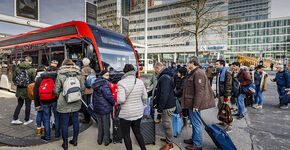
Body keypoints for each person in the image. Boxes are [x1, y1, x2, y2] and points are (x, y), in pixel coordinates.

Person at [181, 56, 215, 150]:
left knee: (196, 123)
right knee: (194, 122)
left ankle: (197, 145)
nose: (187, 64)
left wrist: (196, 105)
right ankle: (194, 139)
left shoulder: (198, 73)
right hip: (192, 103)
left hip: (194, 104)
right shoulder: (194, 73)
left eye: (188, 63)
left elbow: (199, 91)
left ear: (192, 63)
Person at [53, 59, 84, 150]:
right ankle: (75, 141)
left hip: (64, 102)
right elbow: (82, 87)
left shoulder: (60, 74)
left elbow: (56, 90)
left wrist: (62, 96)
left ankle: (65, 144)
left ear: (63, 65)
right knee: (75, 121)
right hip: (76, 100)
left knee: (64, 123)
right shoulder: (78, 74)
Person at [117, 64, 147, 150]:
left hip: (126, 114)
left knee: (126, 136)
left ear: (124, 72)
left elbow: (121, 100)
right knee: (138, 133)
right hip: (138, 112)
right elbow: (145, 97)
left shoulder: (121, 83)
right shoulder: (140, 81)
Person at [148, 62, 176, 150]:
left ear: (158, 68)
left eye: (155, 69)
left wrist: (160, 108)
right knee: (166, 124)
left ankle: (169, 144)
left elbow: (164, 94)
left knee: (167, 125)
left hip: (167, 106)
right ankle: (168, 139)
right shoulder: (165, 76)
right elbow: (158, 90)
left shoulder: (164, 77)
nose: (155, 71)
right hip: (168, 104)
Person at [34, 65, 59, 141]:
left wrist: (37, 104)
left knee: (46, 119)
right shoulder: (55, 77)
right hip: (54, 100)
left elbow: (36, 92)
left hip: (44, 101)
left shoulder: (39, 78)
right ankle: (57, 134)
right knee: (57, 117)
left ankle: (47, 136)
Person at [92, 70, 115, 146]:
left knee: (100, 125)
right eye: (106, 75)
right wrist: (113, 102)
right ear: (102, 75)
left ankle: (99, 140)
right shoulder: (104, 83)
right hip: (105, 107)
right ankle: (107, 141)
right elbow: (108, 95)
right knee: (106, 125)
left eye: (108, 75)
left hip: (97, 107)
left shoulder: (96, 82)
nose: (108, 77)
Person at [11, 56, 36, 125]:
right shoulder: (32, 69)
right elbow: (34, 80)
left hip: (19, 90)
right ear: (30, 62)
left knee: (19, 104)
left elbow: (13, 79)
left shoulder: (17, 68)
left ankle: (15, 119)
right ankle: (26, 120)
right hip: (28, 90)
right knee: (28, 105)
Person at [215, 60, 233, 131]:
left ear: (222, 65)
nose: (215, 65)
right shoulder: (219, 72)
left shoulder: (226, 73)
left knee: (227, 110)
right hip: (220, 94)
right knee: (221, 108)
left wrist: (226, 96)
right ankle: (224, 122)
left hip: (225, 95)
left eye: (217, 64)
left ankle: (230, 125)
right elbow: (218, 84)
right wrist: (217, 92)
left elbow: (228, 86)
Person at [80, 58, 96, 124]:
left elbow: (82, 82)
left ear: (83, 63)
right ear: (89, 63)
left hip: (85, 91)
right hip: (91, 90)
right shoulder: (92, 70)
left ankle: (87, 119)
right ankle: (91, 116)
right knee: (90, 104)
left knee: (85, 105)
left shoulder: (82, 70)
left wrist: (82, 90)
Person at [34, 65, 46, 136]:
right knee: (45, 114)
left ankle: (38, 129)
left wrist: (36, 104)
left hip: (39, 99)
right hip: (46, 98)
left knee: (39, 114)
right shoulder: (46, 76)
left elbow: (35, 92)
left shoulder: (36, 78)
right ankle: (44, 128)